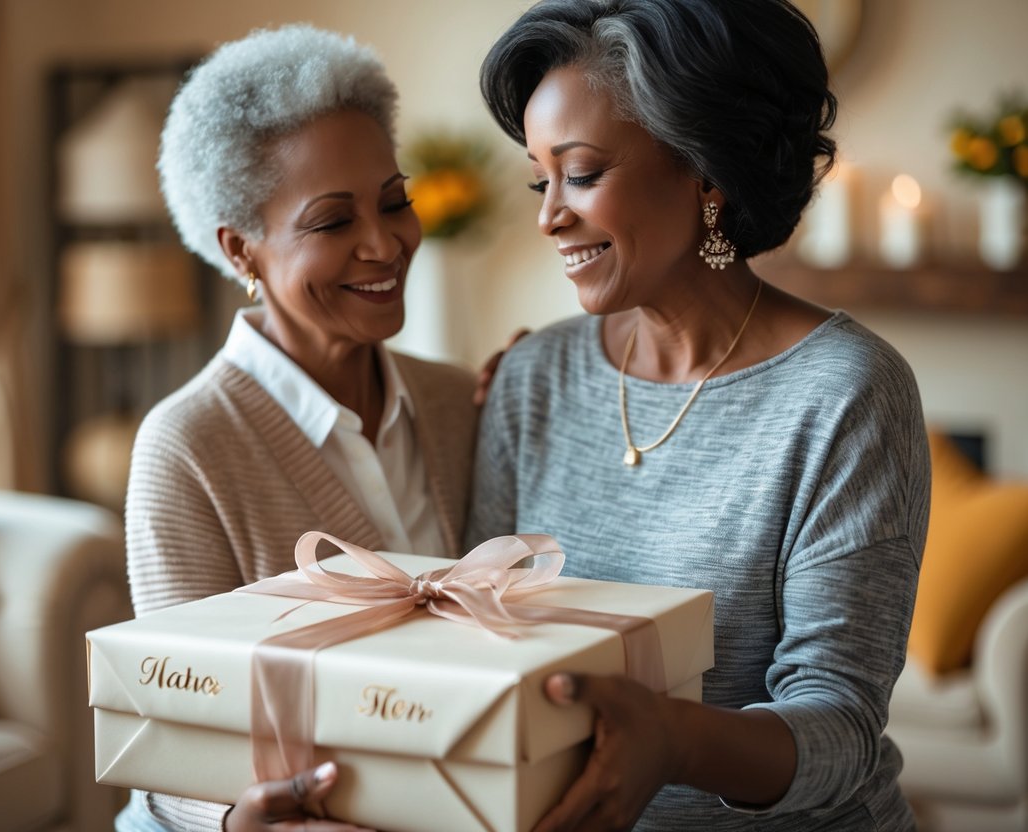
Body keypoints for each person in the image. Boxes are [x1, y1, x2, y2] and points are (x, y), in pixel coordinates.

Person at [468, 1, 930, 830]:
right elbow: (481, 644)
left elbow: (840, 725)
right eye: (540, 179)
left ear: (705, 172)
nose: (548, 215)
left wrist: (671, 740)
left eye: (581, 173)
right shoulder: (532, 375)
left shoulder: (845, 390)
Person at [116, 24, 477, 832]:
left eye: (393, 203)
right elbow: (175, 728)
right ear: (242, 250)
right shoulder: (187, 446)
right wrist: (238, 817)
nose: (384, 244)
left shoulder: (460, 403)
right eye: (331, 223)